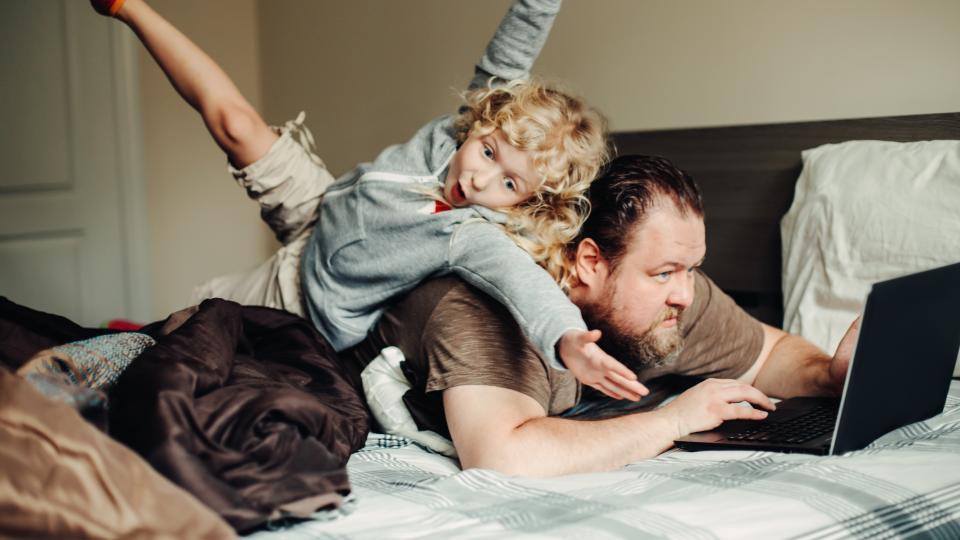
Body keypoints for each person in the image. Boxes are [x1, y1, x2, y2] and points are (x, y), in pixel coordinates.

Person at [93, 0, 649, 400]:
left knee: (183, 337)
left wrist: (568, 338)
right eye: (488, 153)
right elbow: (516, 44)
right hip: (320, 206)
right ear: (481, 122)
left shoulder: (470, 234)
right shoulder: (457, 131)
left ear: (528, 202)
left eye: (509, 185)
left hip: (306, 298)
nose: (481, 182)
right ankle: (127, 6)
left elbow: (520, 281)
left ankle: (126, 340)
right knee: (237, 125)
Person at [341, 154, 859, 476]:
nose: (685, 293)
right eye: (663, 273)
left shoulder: (676, 295)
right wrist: (674, 420)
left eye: (692, 268)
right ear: (590, 262)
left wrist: (828, 375)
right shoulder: (485, 307)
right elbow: (502, 455)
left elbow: (768, 351)